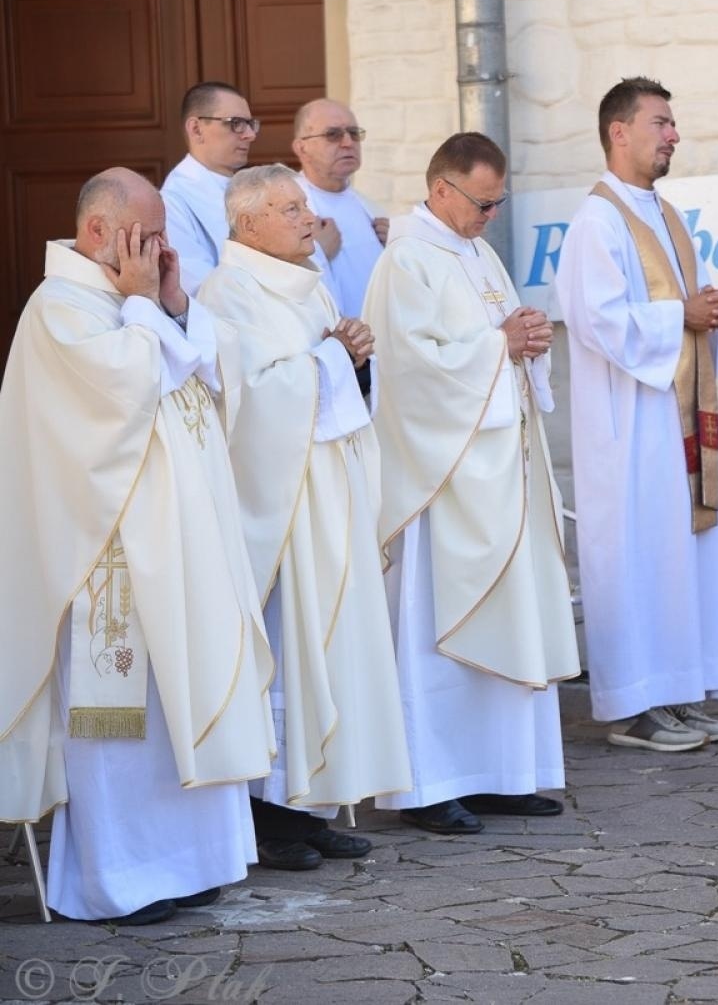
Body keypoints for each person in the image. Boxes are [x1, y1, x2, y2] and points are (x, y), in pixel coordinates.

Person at [0, 169, 274, 924]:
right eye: (147, 237)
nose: (161, 250)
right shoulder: (58, 311)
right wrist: (146, 307)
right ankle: (118, 882)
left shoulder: (139, 302)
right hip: (110, 562)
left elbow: (210, 381)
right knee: (120, 723)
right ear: (97, 233)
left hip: (182, 547)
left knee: (182, 701)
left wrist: (175, 305)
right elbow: (125, 391)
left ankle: (193, 863)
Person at [197, 165, 411, 870]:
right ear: (247, 223)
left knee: (332, 647)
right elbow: (248, 402)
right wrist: (332, 356)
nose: (305, 218)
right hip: (282, 505)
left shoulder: (309, 279)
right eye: (289, 209)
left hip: (330, 495)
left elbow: (329, 381)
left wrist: (354, 359)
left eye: (304, 207)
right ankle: (268, 814)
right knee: (290, 655)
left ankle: (312, 806)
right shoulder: (227, 295)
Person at [363, 132, 578, 834]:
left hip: (500, 469)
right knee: (437, 625)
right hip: (442, 477)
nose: (492, 216)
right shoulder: (405, 261)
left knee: (512, 615)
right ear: (442, 190)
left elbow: (500, 337)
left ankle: (504, 774)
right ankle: (432, 783)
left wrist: (527, 338)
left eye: (498, 203)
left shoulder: (478, 252)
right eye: (484, 204)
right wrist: (499, 346)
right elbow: (408, 368)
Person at [554, 77, 718, 752]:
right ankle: (635, 707)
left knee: (680, 557)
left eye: (672, 124)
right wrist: (683, 316)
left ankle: (675, 692)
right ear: (619, 130)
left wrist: (711, 316)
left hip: (672, 420)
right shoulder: (597, 221)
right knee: (639, 558)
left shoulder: (663, 214)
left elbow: (680, 311)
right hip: (630, 427)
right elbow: (596, 321)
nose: (674, 135)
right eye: (661, 123)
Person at [291, 98, 388, 318]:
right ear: (301, 148)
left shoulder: (371, 208)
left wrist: (396, 247)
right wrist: (318, 252)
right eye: (333, 135)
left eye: (354, 133)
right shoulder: (289, 210)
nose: (347, 143)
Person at [162, 81, 259, 295]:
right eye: (236, 123)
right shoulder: (172, 202)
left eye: (250, 124)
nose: (250, 135)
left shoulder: (252, 187)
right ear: (196, 129)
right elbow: (199, 288)